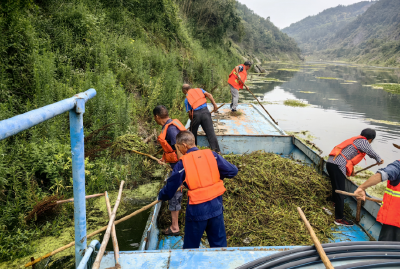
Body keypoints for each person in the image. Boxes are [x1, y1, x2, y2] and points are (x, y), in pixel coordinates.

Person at [158, 131, 238, 249]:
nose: (178, 150)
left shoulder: (183, 163)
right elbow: (233, 171)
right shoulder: (212, 155)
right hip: (216, 207)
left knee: (191, 248)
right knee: (219, 246)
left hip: (197, 210)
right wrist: (215, 175)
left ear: (184, 145)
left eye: (178, 147)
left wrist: (161, 195)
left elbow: (171, 187)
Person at [326, 128, 383, 226]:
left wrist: (351, 171)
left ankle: (335, 204)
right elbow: (370, 151)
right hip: (337, 165)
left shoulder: (356, 141)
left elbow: (349, 158)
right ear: (371, 139)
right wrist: (379, 159)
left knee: (336, 187)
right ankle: (339, 219)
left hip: (331, 163)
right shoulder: (363, 141)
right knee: (341, 191)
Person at [353, 144, 400, 241]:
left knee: (386, 251)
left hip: (395, 222)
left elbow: (382, 175)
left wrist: (361, 187)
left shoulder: (398, 166)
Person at [153, 105, 186, 236]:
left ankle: (175, 227)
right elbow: (171, 149)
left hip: (179, 166)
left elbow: (180, 151)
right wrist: (164, 158)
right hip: (176, 163)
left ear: (156, 117)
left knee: (174, 192)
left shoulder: (171, 129)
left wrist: (179, 171)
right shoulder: (169, 125)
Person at [182, 84, 220, 153]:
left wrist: (192, 121)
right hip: (205, 112)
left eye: (183, 92)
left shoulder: (186, 99)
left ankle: (193, 150)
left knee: (192, 133)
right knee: (210, 132)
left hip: (196, 114)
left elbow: (190, 113)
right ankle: (217, 151)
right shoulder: (200, 90)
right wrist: (214, 104)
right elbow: (209, 95)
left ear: (185, 90)